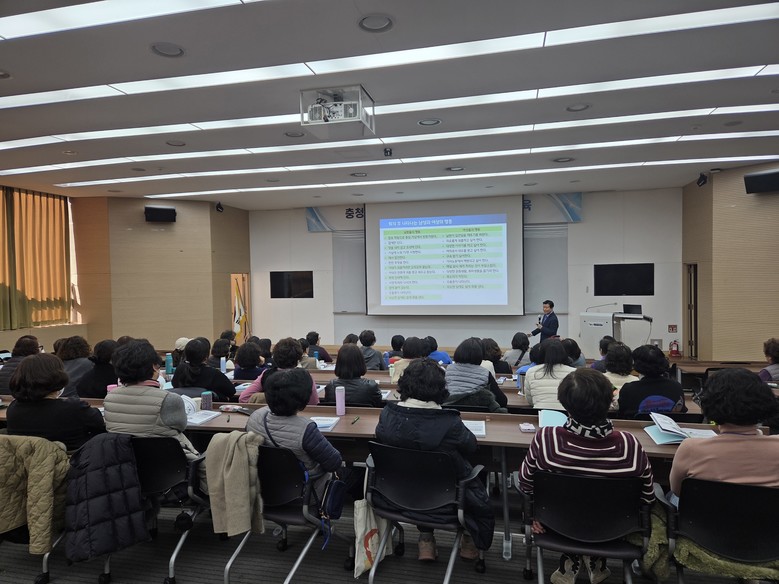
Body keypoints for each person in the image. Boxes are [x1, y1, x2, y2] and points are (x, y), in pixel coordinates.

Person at [519, 368, 655, 584]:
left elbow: (526, 484)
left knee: (574, 510)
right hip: (615, 525)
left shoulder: (547, 438)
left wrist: (535, 513)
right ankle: (595, 558)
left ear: (565, 405)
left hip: (555, 521)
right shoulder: (629, 444)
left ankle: (572, 560)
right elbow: (647, 496)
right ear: (610, 401)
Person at [375, 358, 495, 561]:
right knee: (474, 473)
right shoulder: (449, 421)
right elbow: (471, 446)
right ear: (440, 388)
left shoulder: (388, 414)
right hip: (447, 502)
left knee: (421, 474)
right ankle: (468, 538)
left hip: (395, 496)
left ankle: (426, 540)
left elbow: (380, 437)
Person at [669, 368, 779, 500]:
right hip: (767, 519)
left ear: (708, 403)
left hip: (705, 519)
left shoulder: (690, 448)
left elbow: (677, 491)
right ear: (765, 400)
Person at [245, 368, 342, 498]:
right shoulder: (306, 429)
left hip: (264, 490)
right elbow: (334, 462)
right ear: (302, 400)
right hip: (304, 493)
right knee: (349, 475)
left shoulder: (254, 418)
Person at [104, 339, 201, 459]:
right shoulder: (169, 399)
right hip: (168, 462)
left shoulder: (110, 398)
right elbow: (181, 426)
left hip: (124, 462)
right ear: (154, 367)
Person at [6, 353, 106, 451]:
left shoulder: (12, 409)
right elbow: (100, 424)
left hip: (25, 465)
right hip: (72, 463)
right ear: (57, 376)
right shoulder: (73, 408)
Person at [239, 337, 319, 405]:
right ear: (298, 358)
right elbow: (313, 403)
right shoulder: (306, 376)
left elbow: (243, 398)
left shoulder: (266, 374)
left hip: (270, 418)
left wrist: (264, 399)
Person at [618, 345, 686, 418]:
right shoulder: (676, 387)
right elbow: (682, 414)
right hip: (670, 428)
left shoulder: (629, 389)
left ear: (636, 365)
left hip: (636, 428)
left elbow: (622, 415)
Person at [444, 337, 507, 412]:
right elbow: (502, 401)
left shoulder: (447, 369)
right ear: (480, 355)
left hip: (449, 413)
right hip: (477, 415)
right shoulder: (485, 373)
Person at [524, 339, 576, 410]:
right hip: (566, 415)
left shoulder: (531, 372)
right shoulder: (574, 372)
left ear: (541, 354)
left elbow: (530, 400)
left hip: (540, 413)